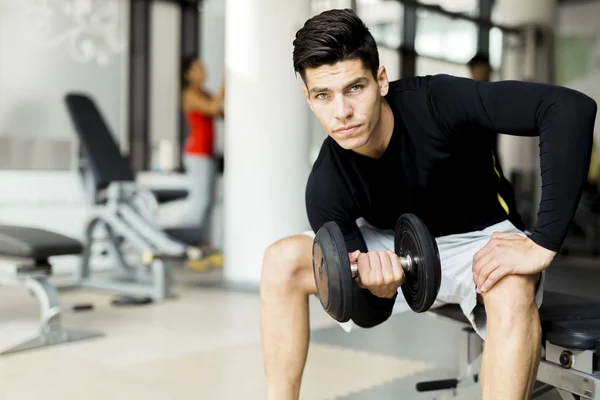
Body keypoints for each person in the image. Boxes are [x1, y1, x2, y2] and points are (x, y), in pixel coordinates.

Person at [259, 9, 597, 400]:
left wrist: (543, 242)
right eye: (323, 95)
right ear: (308, 97)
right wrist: (376, 291)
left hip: (481, 238)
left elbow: (568, 108)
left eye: (355, 88)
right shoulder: (327, 183)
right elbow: (367, 312)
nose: (342, 113)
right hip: (393, 246)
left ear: (381, 80)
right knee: (281, 260)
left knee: (512, 287)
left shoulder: (438, 100)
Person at [179, 56, 225, 240]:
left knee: (209, 202)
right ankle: (189, 241)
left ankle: (204, 242)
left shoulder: (204, 93)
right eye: (198, 68)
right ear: (188, 74)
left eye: (202, 67)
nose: (203, 71)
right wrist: (225, 85)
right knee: (200, 202)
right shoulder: (189, 94)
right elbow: (213, 108)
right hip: (197, 154)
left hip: (208, 153)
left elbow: (221, 113)